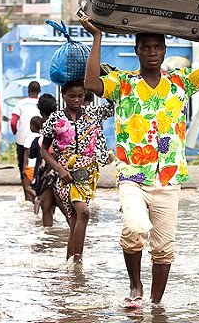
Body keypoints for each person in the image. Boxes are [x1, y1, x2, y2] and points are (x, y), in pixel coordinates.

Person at [81, 0, 199, 307]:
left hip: (169, 176)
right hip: (132, 175)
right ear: (136, 50)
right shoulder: (123, 82)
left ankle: (155, 303)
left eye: (157, 47)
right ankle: (136, 285)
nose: (152, 53)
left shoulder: (181, 81)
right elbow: (92, 84)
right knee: (134, 229)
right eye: (146, 47)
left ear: (165, 50)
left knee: (164, 247)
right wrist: (97, 37)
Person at [40, 81, 114, 265]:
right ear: (63, 95)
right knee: (84, 212)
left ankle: (71, 263)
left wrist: (102, 79)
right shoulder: (55, 119)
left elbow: (115, 105)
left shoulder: (93, 114)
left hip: (88, 174)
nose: (76, 100)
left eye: (80, 96)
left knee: (74, 220)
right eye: (72, 96)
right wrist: (59, 168)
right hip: (66, 174)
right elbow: (43, 149)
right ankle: (78, 261)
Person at [31, 93, 59, 226]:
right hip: (61, 169)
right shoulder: (62, 121)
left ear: (41, 111)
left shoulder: (46, 127)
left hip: (49, 170)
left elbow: (48, 152)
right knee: (68, 210)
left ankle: (48, 238)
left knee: (46, 207)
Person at [11, 80, 41, 202]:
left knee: (23, 167)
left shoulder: (20, 104)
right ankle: (39, 193)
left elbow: (13, 122)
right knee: (39, 165)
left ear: (28, 91)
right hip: (40, 140)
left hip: (23, 140)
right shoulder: (42, 103)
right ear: (39, 92)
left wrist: (17, 134)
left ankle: (27, 195)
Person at [22, 116, 42, 197]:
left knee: (27, 187)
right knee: (36, 187)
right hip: (39, 166)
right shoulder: (42, 137)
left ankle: (38, 198)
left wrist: (24, 167)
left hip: (30, 166)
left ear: (32, 126)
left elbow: (27, 153)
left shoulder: (29, 137)